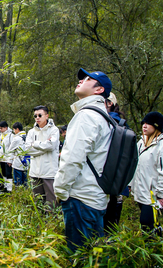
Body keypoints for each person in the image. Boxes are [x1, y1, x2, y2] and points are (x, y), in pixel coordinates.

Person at [53, 68, 113, 252]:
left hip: (81, 199)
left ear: (99, 90)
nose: (81, 81)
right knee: (93, 256)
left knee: (78, 255)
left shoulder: (86, 116)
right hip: (96, 197)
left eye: (88, 79)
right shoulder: (104, 117)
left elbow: (72, 159)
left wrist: (61, 191)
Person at [130, 112, 163, 235]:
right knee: (150, 224)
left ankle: (152, 248)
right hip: (142, 191)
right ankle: (154, 246)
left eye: (149, 123)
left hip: (153, 195)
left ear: (157, 126)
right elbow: (135, 165)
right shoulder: (141, 143)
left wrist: (162, 194)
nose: (144, 126)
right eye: (144, 123)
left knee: (146, 222)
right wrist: (131, 185)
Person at [103, 92, 129, 233]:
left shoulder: (111, 123)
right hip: (116, 179)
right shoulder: (120, 122)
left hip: (108, 178)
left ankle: (103, 249)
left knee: (107, 219)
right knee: (111, 219)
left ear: (109, 103)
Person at [25, 105, 60, 210]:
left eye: (40, 115)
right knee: (38, 201)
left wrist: (34, 143)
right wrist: (44, 147)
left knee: (51, 202)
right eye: (35, 116)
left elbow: (51, 145)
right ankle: (39, 223)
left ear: (47, 115)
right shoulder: (31, 132)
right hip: (35, 172)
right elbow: (27, 149)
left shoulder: (54, 130)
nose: (37, 118)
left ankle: (51, 223)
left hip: (49, 172)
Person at [0, 121, 14, 191]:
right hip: (1, 158)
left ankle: (9, 188)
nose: (0, 130)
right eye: (0, 129)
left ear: (6, 128)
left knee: (8, 173)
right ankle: (5, 186)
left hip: (8, 158)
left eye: (1, 128)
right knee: (4, 173)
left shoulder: (11, 136)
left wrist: (11, 159)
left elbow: (12, 148)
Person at [9, 122, 28, 187]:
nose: (14, 131)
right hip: (26, 162)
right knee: (25, 181)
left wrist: (10, 160)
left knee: (18, 181)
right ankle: (26, 194)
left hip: (18, 163)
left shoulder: (17, 138)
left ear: (17, 129)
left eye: (14, 130)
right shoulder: (28, 137)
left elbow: (10, 149)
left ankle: (18, 193)